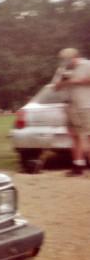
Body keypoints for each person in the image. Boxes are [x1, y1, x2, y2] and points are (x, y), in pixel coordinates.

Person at [53, 48, 90, 176]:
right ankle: (78, 166)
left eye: (68, 59)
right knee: (74, 136)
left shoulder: (87, 65)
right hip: (70, 106)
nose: (66, 62)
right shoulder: (62, 69)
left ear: (76, 57)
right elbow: (55, 88)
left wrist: (74, 81)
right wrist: (62, 81)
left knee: (88, 135)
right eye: (63, 60)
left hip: (86, 105)